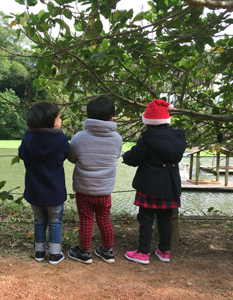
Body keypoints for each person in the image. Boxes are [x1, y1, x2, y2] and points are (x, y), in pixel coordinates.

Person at [123, 99, 186, 264]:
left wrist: (125, 156)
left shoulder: (146, 139)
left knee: (146, 220)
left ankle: (143, 253)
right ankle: (164, 251)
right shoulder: (179, 138)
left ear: (148, 123)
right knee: (166, 220)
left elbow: (134, 158)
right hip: (170, 185)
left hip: (149, 186)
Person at [67, 95, 122, 264]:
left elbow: (71, 157)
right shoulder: (117, 139)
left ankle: (84, 252)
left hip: (84, 188)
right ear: (112, 117)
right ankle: (108, 251)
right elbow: (116, 156)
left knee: (86, 220)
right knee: (104, 219)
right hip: (104, 189)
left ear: (87, 117)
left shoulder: (79, 137)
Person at [18, 102, 70, 265]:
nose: (60, 120)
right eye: (58, 118)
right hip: (54, 192)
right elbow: (67, 153)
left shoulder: (28, 138)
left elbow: (21, 153)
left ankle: (39, 252)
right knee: (55, 222)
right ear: (50, 122)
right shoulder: (60, 139)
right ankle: (55, 254)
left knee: (39, 221)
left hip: (35, 192)